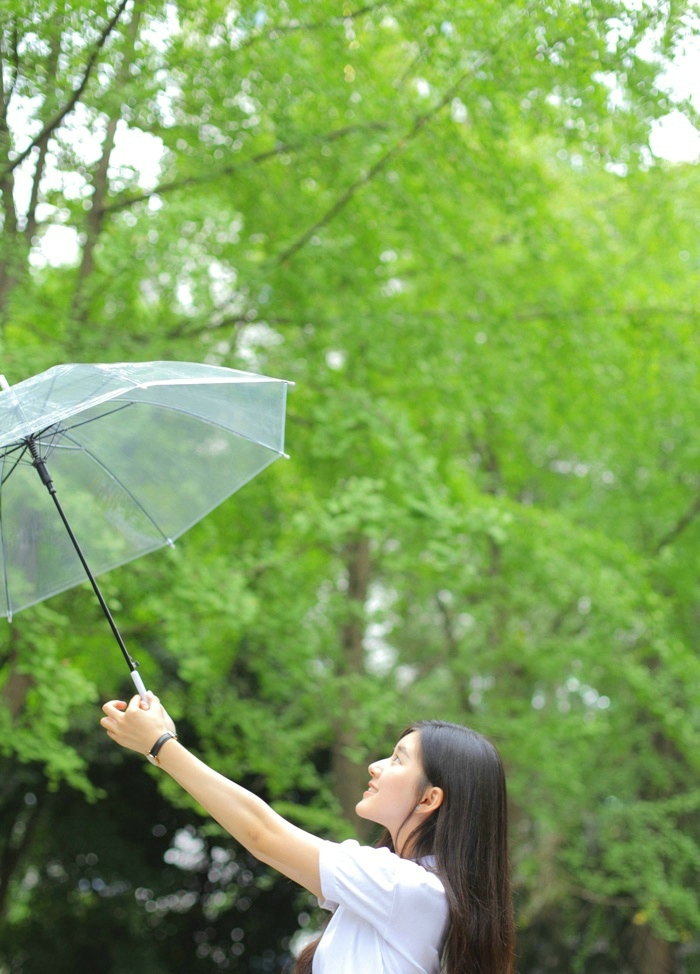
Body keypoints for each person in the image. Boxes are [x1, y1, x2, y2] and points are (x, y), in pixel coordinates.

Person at [101, 694, 515, 974]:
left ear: (429, 800)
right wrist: (160, 747)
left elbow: (263, 834)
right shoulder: (401, 888)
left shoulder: (403, 886)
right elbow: (265, 839)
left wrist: (160, 744)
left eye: (397, 759)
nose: (375, 765)